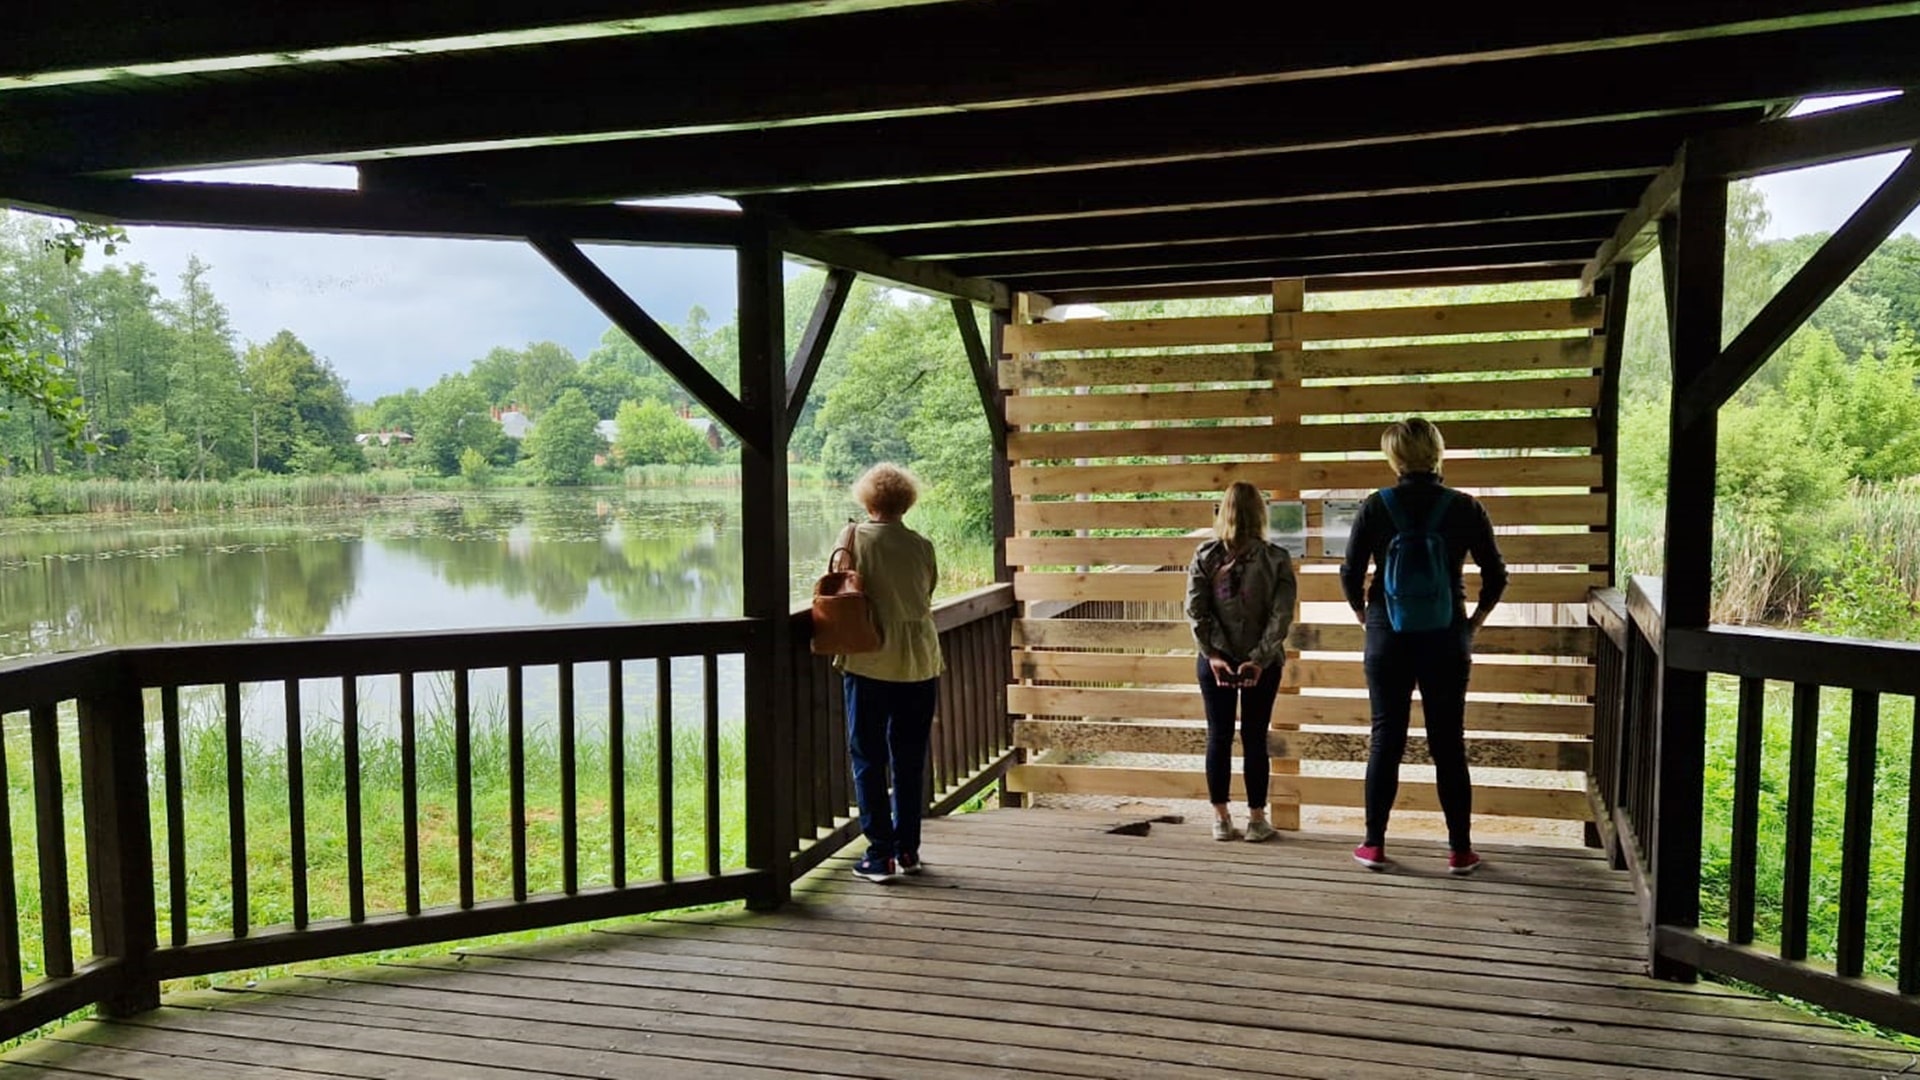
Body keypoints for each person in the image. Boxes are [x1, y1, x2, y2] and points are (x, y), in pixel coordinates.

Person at [1339, 417, 1507, 876]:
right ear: (1437, 452)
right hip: (1446, 635)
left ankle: (1374, 844)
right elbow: (1496, 575)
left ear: (1393, 457)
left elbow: (1350, 573)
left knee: (1385, 738)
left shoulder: (1376, 506)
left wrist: (1365, 615)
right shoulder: (1466, 508)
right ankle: (1460, 851)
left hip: (1386, 634)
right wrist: (1473, 623)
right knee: (1448, 742)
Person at [836, 463, 943, 883]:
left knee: (868, 756)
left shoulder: (854, 538)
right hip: (920, 660)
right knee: (909, 758)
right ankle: (908, 849)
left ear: (868, 501)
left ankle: (880, 855)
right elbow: (926, 592)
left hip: (871, 658)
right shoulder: (922, 545)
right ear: (906, 502)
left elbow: (836, 588)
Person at [1186, 481, 1298, 843]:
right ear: (1261, 513)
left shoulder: (1205, 555)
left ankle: (1221, 819)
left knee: (1218, 736)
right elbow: (1281, 616)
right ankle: (1256, 820)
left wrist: (1215, 654)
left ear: (1224, 511)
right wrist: (1258, 658)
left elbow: (1196, 610)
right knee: (1254, 737)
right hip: (1262, 664)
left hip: (1214, 663)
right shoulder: (1276, 558)